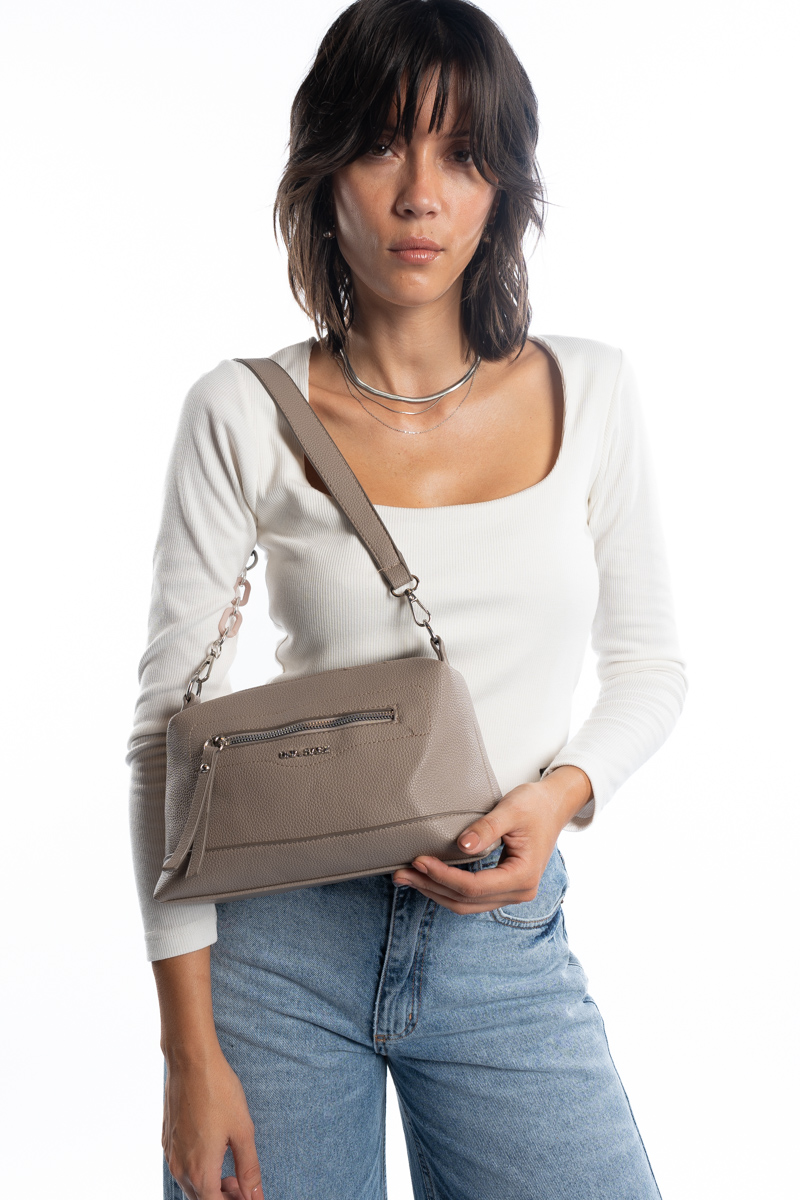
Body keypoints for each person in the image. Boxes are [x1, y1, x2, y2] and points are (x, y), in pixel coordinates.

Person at [126, 1, 688, 1196]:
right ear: (323, 171)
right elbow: (164, 739)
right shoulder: (240, 411)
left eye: (462, 153)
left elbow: (649, 666)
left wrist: (557, 797)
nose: (420, 195)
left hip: (505, 948)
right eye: (382, 144)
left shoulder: (590, 392)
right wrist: (188, 1055)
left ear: (504, 186)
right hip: (277, 954)